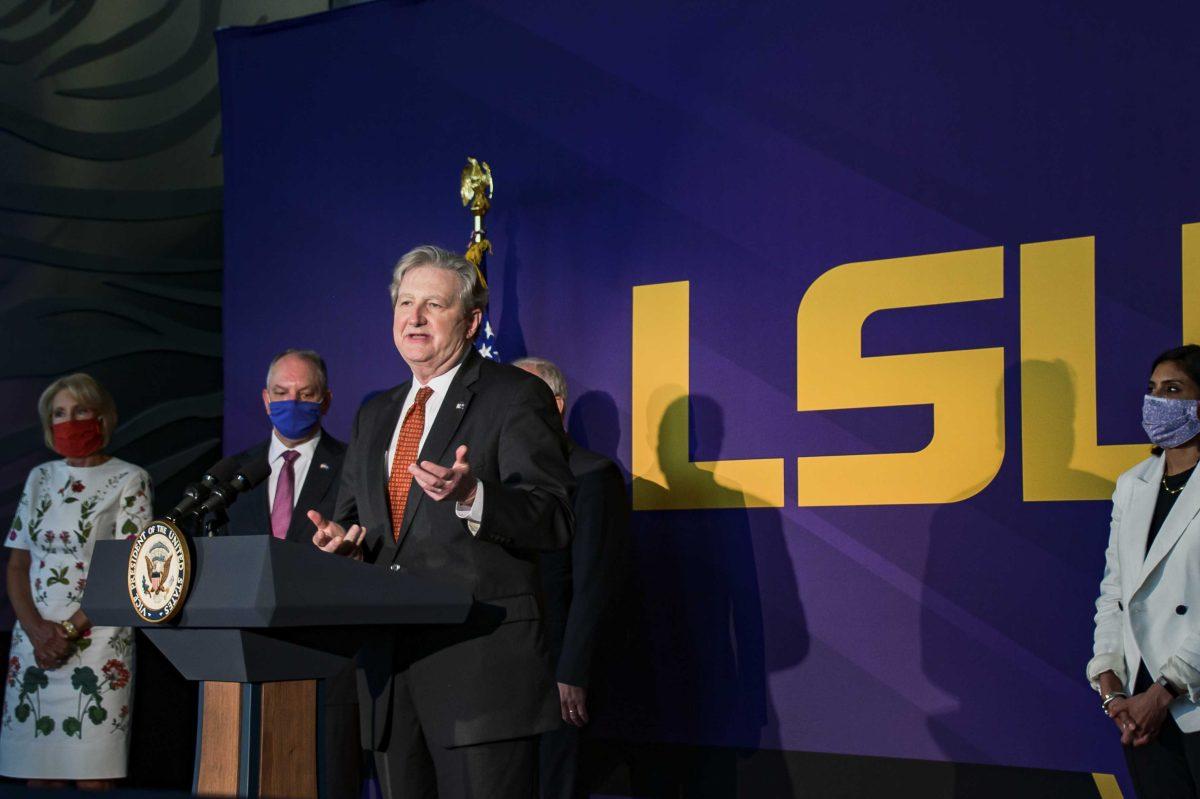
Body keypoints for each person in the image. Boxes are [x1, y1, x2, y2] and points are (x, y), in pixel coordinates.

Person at [308, 245, 574, 798]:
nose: (415, 317)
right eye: (406, 303)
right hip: (390, 673)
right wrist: (345, 548)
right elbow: (355, 523)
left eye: (434, 303)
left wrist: (475, 495)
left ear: (471, 320)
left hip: (479, 675)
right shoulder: (375, 412)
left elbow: (553, 517)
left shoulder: (514, 395)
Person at [0, 373, 151, 789]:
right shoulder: (40, 478)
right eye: (59, 414)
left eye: (80, 411)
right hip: (34, 640)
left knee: (93, 778)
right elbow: (17, 565)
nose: (70, 421)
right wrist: (37, 631)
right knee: (37, 775)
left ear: (101, 418)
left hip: (98, 638)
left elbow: (130, 568)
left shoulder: (130, 479)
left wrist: (68, 631)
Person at [223, 348, 357, 797]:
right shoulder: (234, 474)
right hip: (248, 663)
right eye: (281, 393)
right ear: (264, 399)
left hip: (324, 660)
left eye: (305, 394)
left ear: (326, 400)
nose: (292, 402)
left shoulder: (353, 467)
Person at [513, 357, 628, 799]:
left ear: (556, 405)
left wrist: (572, 671)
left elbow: (595, 582)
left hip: (557, 673)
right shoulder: (490, 481)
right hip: (502, 672)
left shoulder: (592, 475)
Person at [1089, 344, 1200, 797]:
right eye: (1152, 389)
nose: (1157, 401)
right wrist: (1109, 680)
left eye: (1173, 389)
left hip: (1185, 698)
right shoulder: (1132, 484)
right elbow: (1115, 590)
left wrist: (1166, 689)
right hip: (1139, 707)